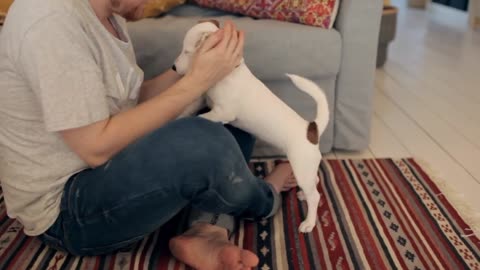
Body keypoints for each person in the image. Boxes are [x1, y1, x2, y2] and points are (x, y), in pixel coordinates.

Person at [0, 0, 298, 269]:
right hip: (69, 211)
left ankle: (206, 231)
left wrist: (194, 63)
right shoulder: (49, 19)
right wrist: (196, 81)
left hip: (109, 166)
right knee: (203, 142)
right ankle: (264, 198)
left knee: (231, 105)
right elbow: (95, 148)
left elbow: (132, 102)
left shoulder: (109, 16)